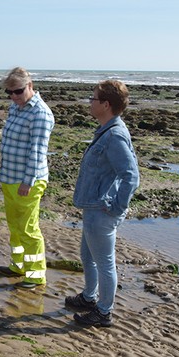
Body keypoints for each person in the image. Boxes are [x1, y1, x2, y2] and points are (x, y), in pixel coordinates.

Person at [65, 80, 140, 327]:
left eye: (93, 98)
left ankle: (104, 311)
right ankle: (89, 297)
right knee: (87, 256)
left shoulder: (115, 135)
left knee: (105, 261)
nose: (90, 102)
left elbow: (131, 175)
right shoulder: (107, 130)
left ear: (106, 105)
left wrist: (117, 206)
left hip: (102, 210)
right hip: (93, 207)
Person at [0, 67, 55, 289]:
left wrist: (27, 182)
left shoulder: (40, 113)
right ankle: (18, 265)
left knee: (29, 228)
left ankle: (36, 274)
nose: (13, 96)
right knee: (15, 226)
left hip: (26, 182)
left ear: (30, 86)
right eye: (9, 93)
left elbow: (38, 152)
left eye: (18, 91)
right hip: (9, 177)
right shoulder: (16, 107)